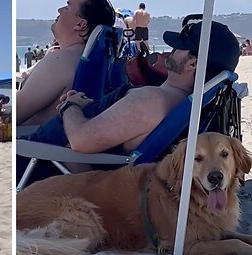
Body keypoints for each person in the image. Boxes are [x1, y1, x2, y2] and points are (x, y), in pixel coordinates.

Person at [19, 21, 240, 181]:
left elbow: (80, 141)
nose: (170, 51)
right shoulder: (172, 101)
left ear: (193, 63)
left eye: (177, 47)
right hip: (51, 159)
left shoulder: (152, 100)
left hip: (38, 165)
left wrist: (70, 106)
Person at [16, 0, 115, 126]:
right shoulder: (88, 60)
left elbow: (17, 111)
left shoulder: (60, 61)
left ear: (80, 24)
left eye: (67, 7)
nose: (59, 10)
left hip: (32, 141)